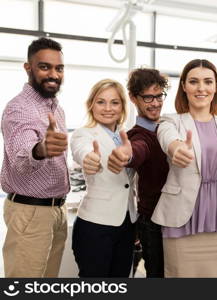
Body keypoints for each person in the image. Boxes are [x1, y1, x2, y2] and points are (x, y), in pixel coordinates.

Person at [151, 59, 217, 278]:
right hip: (181, 224)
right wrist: (176, 148)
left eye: (208, 82)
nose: (201, 88)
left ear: (216, 87)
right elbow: (168, 139)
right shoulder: (170, 121)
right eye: (194, 81)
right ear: (184, 86)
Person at [1, 37, 68, 277]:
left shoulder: (55, 108)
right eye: (45, 67)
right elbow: (20, 157)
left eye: (59, 68)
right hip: (30, 212)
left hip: (56, 210)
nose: (54, 74)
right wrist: (40, 149)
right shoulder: (19, 108)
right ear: (28, 68)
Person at [70, 79, 138, 277]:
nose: (108, 108)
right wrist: (89, 159)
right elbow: (81, 151)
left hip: (126, 223)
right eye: (101, 102)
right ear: (91, 105)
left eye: (114, 102)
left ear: (123, 106)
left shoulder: (127, 137)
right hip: (95, 225)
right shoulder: (83, 134)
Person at [107, 68, 169, 278]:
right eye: (148, 97)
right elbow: (138, 150)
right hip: (152, 221)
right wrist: (127, 155)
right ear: (134, 98)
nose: (155, 103)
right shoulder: (138, 136)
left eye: (159, 96)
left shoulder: (169, 127)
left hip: (176, 217)